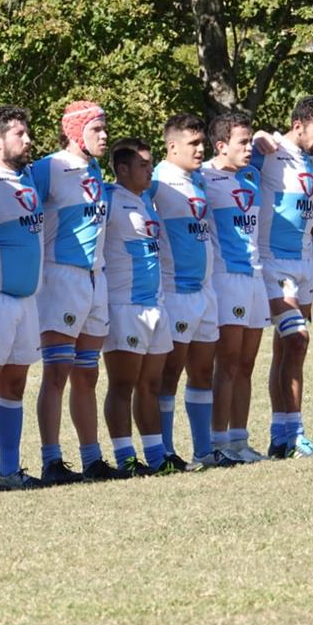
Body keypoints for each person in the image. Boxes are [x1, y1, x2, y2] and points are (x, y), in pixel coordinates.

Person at [27, 101, 124, 483]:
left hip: (95, 276)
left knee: (88, 373)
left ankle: (92, 457)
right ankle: (51, 460)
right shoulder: (48, 168)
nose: (104, 135)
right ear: (74, 132)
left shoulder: (95, 168)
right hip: (60, 277)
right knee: (57, 371)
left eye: (104, 128)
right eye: (96, 129)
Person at [100, 139, 188, 476]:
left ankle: (156, 455)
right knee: (123, 385)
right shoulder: (109, 198)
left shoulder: (146, 200)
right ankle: (125, 457)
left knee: (152, 384)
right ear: (122, 169)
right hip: (125, 305)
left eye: (151, 164)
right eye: (143, 165)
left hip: (156, 304)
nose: (150, 170)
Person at [152, 113, 234, 468]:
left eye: (202, 143)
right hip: (175, 292)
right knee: (169, 374)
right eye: (193, 144)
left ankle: (204, 450)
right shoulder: (158, 182)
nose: (200, 149)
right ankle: (165, 451)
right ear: (172, 147)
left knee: (202, 372)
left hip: (205, 291)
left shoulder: (197, 178)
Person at [252, 97, 313, 459]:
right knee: (298, 340)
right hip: (273, 263)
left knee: (286, 350)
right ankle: (296, 434)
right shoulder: (269, 151)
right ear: (297, 125)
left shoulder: (311, 161)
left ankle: (279, 436)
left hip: (304, 263)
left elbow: (301, 205)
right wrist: (257, 136)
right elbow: (233, 158)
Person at [0, 105, 45, 490]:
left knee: (15, 384)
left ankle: (10, 469)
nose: (28, 140)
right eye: (20, 134)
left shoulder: (28, 176)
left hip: (28, 299)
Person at [200, 111, 268, 463]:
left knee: (246, 364)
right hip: (226, 278)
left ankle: (240, 440)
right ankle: (218, 441)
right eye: (243, 142)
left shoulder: (252, 174)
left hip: (256, 276)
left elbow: (278, 141)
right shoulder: (203, 177)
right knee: (226, 363)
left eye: (250, 140)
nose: (249, 147)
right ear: (221, 145)